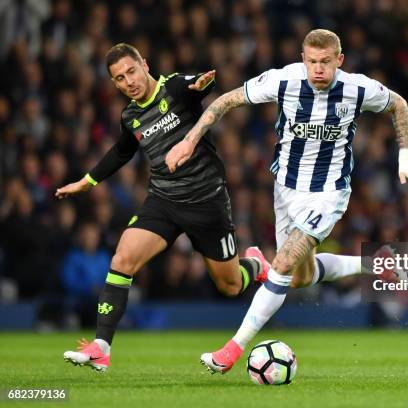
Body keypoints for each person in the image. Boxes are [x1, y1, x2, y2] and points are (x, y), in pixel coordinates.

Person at [166, 29, 408, 373]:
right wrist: (190, 141)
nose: (318, 69)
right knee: (301, 276)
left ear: (339, 61)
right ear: (303, 59)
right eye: (312, 61)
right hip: (285, 189)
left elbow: (398, 104)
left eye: (326, 62)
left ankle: (232, 349)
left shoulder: (357, 88)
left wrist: (404, 156)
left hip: (328, 193)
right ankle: (375, 264)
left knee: (284, 263)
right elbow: (225, 101)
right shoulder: (282, 80)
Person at [59, 43, 267, 372]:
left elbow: (197, 84)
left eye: (131, 71)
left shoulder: (173, 87)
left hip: (206, 202)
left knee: (230, 285)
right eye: (119, 78)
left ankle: (254, 264)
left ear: (145, 63)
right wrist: (86, 182)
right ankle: (101, 346)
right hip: (163, 201)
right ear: (114, 84)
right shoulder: (130, 116)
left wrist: (203, 83)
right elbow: (121, 152)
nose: (129, 81)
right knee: (123, 258)